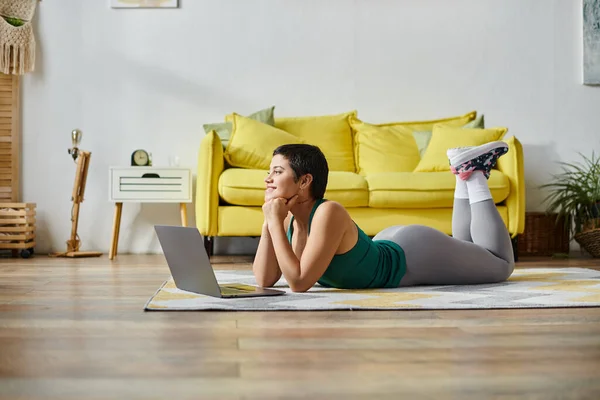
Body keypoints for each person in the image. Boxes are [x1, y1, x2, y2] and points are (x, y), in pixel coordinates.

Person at [253, 141, 515, 292]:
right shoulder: (285, 218)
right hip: (388, 244)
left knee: (501, 265)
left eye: (277, 171)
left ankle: (476, 175)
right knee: (471, 251)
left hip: (414, 255)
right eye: (270, 172)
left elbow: (298, 283)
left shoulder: (327, 211)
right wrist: (269, 222)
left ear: (304, 181)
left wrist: (274, 222)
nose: (268, 178)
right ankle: (464, 172)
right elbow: (265, 280)